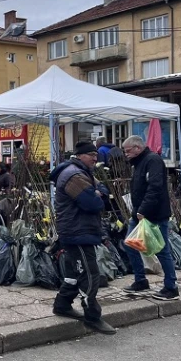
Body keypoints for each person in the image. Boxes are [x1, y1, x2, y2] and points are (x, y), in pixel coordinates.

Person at [49, 141, 116, 335]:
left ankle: (62, 305)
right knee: (89, 274)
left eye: (96, 155)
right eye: (90, 155)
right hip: (77, 232)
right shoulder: (75, 176)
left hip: (78, 230)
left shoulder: (81, 172)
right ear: (79, 156)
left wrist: (98, 192)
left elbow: (103, 192)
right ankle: (92, 317)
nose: (95, 158)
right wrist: (97, 194)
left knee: (72, 274)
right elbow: (93, 204)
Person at [121, 135, 179, 300]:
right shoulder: (138, 163)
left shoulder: (152, 160)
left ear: (137, 148)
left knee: (161, 250)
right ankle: (140, 280)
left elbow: (155, 187)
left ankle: (171, 286)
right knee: (130, 245)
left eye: (128, 151)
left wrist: (143, 210)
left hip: (153, 215)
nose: (126, 154)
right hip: (139, 215)